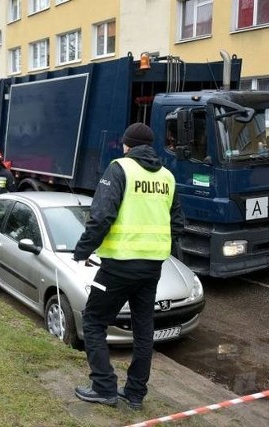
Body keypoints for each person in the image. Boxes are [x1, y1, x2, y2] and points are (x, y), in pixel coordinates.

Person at [72, 122, 184, 410]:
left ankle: (104, 387)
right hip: (152, 267)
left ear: (127, 145)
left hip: (118, 265)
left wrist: (82, 250)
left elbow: (101, 216)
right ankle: (135, 394)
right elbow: (178, 223)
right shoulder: (167, 177)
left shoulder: (119, 168)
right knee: (144, 330)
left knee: (94, 321)